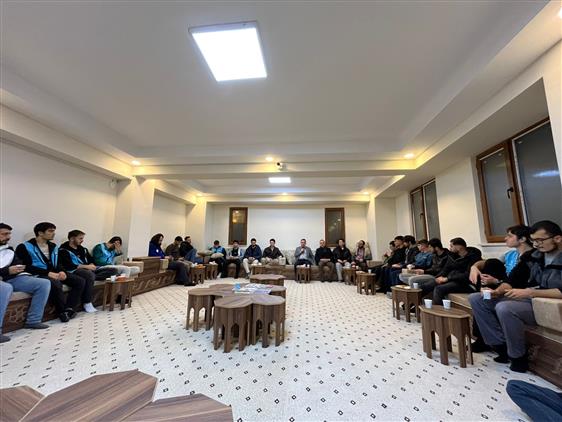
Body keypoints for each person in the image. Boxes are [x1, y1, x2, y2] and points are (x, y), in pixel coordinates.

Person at [468, 220, 562, 373]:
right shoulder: (533, 256)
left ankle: (518, 357)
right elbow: (513, 280)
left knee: (505, 307)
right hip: (529, 297)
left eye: (540, 240)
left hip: (545, 302)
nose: (536, 245)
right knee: (477, 299)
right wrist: (497, 292)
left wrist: (531, 292)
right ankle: (499, 345)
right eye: (534, 241)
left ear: (557, 238)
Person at [468, 225, 534, 353]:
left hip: (518, 291)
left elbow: (518, 280)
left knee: (489, 299)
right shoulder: (510, 254)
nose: (505, 239)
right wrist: (474, 267)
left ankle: (489, 342)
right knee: (490, 267)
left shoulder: (532, 257)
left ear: (522, 239)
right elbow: (484, 263)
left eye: (509, 236)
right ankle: (495, 342)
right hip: (503, 287)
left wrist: (496, 283)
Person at [16, 222, 85, 323]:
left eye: (54, 231)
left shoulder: (53, 246)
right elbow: (26, 267)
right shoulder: (24, 247)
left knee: (79, 281)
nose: (53, 233)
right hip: (36, 274)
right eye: (50, 231)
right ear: (40, 233)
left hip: (53, 272)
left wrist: (61, 271)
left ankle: (69, 308)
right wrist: (48, 273)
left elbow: (58, 263)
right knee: (55, 283)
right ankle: (62, 311)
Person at [0, 223, 50, 343]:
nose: (8, 237)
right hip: (5, 279)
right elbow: (7, 270)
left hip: (10, 277)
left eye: (9, 234)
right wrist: (6, 271)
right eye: (4, 234)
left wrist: (17, 268)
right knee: (5, 288)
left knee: (43, 283)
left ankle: (33, 321)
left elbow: (17, 264)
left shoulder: (8, 250)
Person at [59, 230, 119, 313]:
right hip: (75, 270)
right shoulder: (63, 250)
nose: (82, 240)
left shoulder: (83, 249)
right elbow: (68, 265)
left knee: (114, 270)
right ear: (72, 239)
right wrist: (86, 266)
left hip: (88, 270)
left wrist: (91, 264)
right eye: (80, 238)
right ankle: (87, 302)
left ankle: (91, 278)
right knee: (89, 274)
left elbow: (91, 259)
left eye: (82, 238)